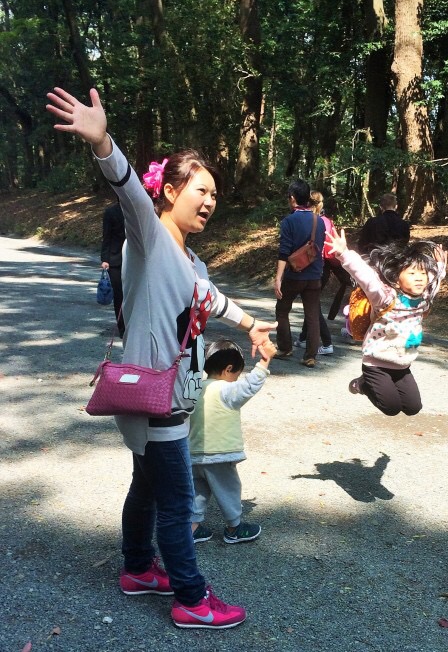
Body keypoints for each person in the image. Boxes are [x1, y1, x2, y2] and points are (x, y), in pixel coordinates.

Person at [46, 86, 276, 630]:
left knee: (146, 489)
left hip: (168, 396)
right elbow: (128, 190)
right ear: (170, 191)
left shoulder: (188, 258)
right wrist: (103, 143)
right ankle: (192, 599)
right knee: (176, 502)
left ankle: (136, 569)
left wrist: (252, 325)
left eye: (215, 194)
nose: (210, 201)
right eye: (202, 190)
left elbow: (210, 298)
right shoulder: (149, 238)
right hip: (158, 398)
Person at [327, 228, 447, 416]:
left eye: (423, 274)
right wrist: (344, 253)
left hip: (402, 364)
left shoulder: (424, 297)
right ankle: (362, 384)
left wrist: (439, 265)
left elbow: (434, 278)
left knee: (413, 408)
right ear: (397, 280)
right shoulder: (385, 297)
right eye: (412, 273)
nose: (419, 278)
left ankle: (376, 385)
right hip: (376, 363)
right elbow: (365, 276)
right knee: (391, 408)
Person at [190, 338, 276, 545]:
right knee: (228, 489)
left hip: (192, 453)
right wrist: (264, 361)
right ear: (229, 369)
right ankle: (234, 528)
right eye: (237, 373)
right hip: (219, 455)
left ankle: (191, 528)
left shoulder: (195, 389)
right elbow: (250, 385)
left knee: (197, 491)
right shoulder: (225, 390)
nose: (238, 378)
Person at [274, 178, 326, 368]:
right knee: (312, 315)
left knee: (282, 310)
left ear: (293, 198)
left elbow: (284, 252)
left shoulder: (289, 221)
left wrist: (278, 278)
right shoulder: (319, 221)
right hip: (315, 275)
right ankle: (310, 356)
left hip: (294, 275)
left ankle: (285, 347)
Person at [294, 190, 349, 355]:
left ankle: (326, 342)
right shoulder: (326, 221)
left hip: (312, 267)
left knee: (313, 305)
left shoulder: (310, 220)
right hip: (322, 267)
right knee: (311, 302)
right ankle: (303, 338)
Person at [101, 200, 126, 337]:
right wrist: (105, 259)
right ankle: (122, 327)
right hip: (115, 260)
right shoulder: (110, 212)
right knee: (119, 295)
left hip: (135, 259)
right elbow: (106, 236)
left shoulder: (136, 211)